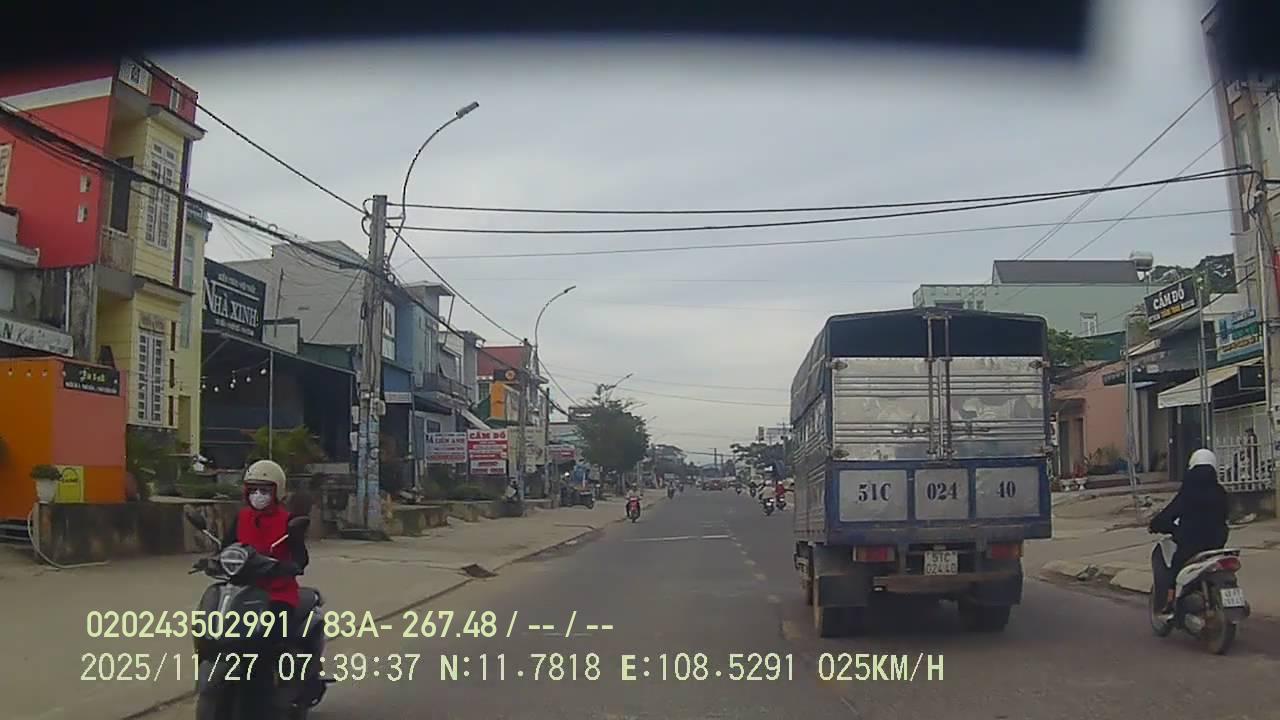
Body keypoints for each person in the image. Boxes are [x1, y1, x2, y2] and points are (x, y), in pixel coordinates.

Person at [219, 459, 309, 714]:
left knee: (268, 644)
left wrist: (289, 566)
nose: (258, 495)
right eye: (253, 490)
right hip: (242, 592)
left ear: (277, 492)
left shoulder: (288, 521)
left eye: (265, 490)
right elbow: (226, 547)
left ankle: (278, 691)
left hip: (277, 594)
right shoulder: (241, 517)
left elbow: (301, 558)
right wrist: (214, 560)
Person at [1148, 448, 1229, 613]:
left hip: (1191, 545)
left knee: (1175, 566)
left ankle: (1170, 603)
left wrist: (1155, 525)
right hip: (1217, 544)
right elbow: (1226, 515)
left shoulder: (1189, 491)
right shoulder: (1220, 491)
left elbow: (1170, 513)